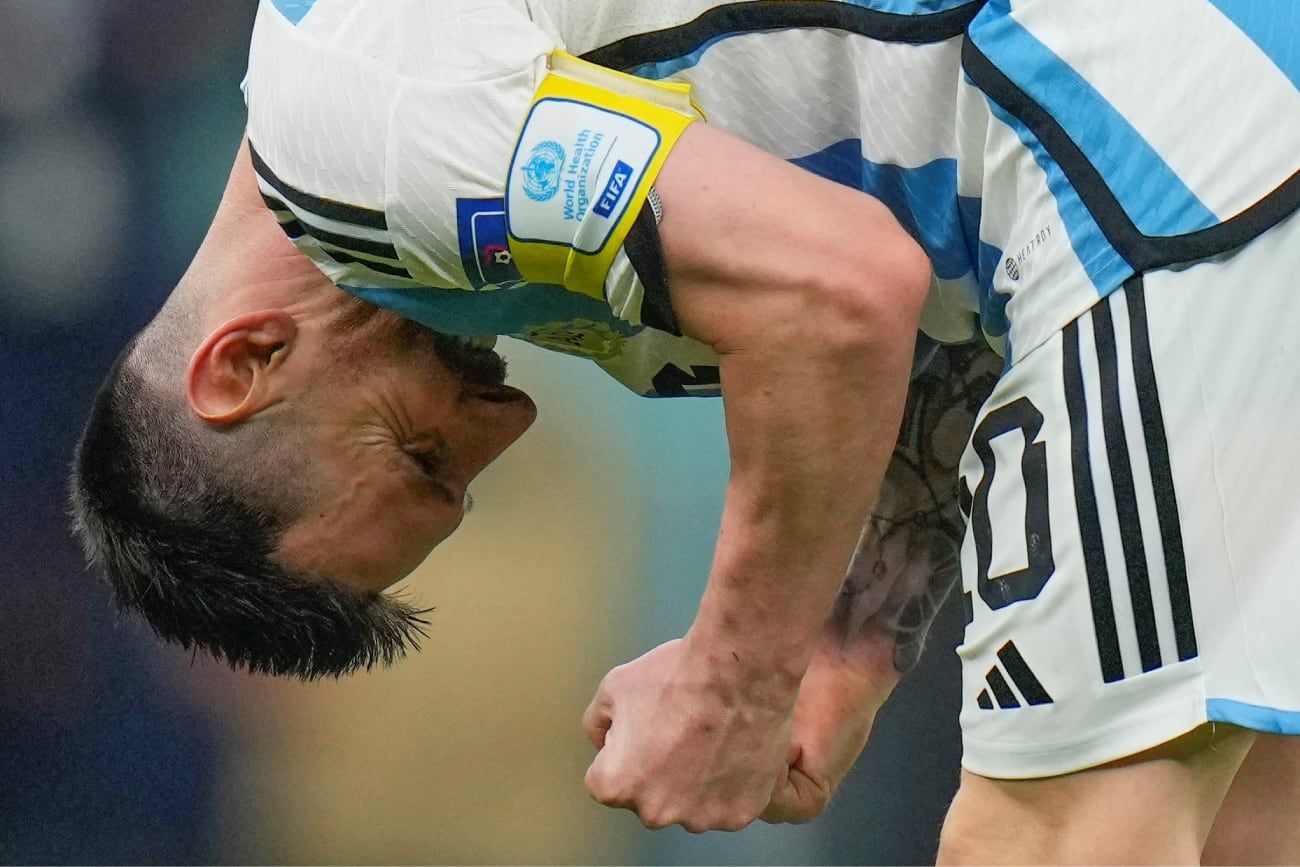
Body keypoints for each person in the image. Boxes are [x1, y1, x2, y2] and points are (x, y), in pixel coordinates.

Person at [69, 0, 1300, 859]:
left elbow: (840, 289)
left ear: (243, 366)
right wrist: (842, 644)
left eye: (419, 451)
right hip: (1170, 158)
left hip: (1168, 159)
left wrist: (734, 676)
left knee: (1046, 838)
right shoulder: (421, 158)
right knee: (1246, 815)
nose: (504, 423)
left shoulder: (373, 139)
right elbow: (924, 293)